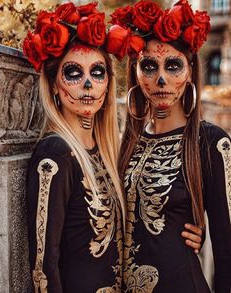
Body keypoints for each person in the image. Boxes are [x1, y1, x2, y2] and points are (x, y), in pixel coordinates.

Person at [24, 2, 203, 292]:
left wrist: (190, 231)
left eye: (97, 73)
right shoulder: (55, 154)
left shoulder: (106, 153)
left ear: (108, 83)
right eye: (72, 73)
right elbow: (43, 269)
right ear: (54, 84)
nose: (87, 85)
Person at [107, 0, 231, 292]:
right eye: (149, 66)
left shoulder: (211, 142)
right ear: (135, 72)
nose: (161, 79)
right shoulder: (125, 144)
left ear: (190, 70)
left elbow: (226, 249)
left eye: (172, 65)